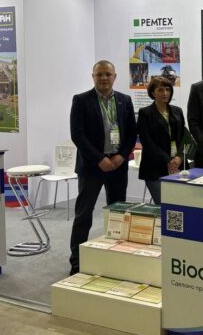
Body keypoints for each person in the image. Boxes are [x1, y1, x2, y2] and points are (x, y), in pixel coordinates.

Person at [69, 60, 137, 274]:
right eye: (99, 74)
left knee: (118, 213)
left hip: (117, 166)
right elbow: (77, 135)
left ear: (115, 76)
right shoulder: (81, 100)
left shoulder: (125, 100)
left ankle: (116, 257)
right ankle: (77, 261)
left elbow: (131, 133)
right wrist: (99, 159)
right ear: (93, 77)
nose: (104, 78)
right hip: (92, 166)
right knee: (84, 215)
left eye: (108, 74)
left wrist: (121, 157)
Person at [136, 76, 185, 205]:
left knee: (180, 205)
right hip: (155, 167)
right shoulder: (145, 113)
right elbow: (147, 142)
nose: (165, 93)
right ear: (152, 92)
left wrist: (179, 157)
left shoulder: (177, 111)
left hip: (178, 165)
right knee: (163, 206)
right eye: (160, 90)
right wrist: (168, 160)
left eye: (168, 89)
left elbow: (183, 137)